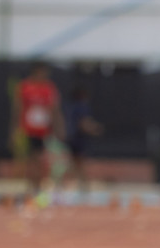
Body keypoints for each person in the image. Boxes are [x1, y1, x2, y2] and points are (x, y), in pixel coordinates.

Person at [12, 63, 63, 196]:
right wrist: (14, 129)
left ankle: (39, 187)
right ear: (36, 72)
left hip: (43, 131)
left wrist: (58, 127)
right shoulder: (25, 87)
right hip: (27, 130)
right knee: (29, 160)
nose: (44, 76)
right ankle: (30, 187)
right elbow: (17, 108)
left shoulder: (49, 88)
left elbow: (55, 109)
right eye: (42, 73)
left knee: (41, 159)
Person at [62, 86, 102, 192]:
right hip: (78, 139)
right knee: (79, 162)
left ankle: (76, 183)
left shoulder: (69, 106)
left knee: (75, 162)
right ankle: (83, 185)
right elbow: (83, 123)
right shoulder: (82, 106)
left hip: (70, 138)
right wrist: (95, 129)